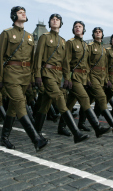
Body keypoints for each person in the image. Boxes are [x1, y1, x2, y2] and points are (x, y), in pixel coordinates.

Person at [0, 6, 49, 151]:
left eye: (24, 12)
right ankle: (36, 139)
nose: (23, 13)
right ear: (13, 16)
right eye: (20, 12)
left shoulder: (30, 36)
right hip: (11, 74)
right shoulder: (6, 33)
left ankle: (4, 138)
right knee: (20, 103)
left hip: (25, 76)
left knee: (13, 109)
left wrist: (32, 78)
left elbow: (31, 59)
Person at [34, 13, 89, 144]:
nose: (55, 21)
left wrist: (67, 78)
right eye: (52, 19)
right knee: (60, 100)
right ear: (49, 23)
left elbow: (65, 62)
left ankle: (35, 132)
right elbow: (38, 57)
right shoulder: (44, 37)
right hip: (47, 73)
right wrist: (37, 75)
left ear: (60, 23)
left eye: (57, 19)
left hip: (58, 76)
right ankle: (76, 133)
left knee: (45, 105)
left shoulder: (63, 41)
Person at [63, 21, 111, 138]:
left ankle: (61, 126)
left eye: (80, 27)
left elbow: (87, 64)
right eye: (75, 27)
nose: (77, 28)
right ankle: (97, 128)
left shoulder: (85, 45)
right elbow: (66, 61)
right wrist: (67, 78)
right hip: (74, 77)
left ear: (83, 30)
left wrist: (88, 78)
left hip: (83, 78)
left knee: (69, 104)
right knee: (85, 99)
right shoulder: (70, 42)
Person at [86, 27, 113, 135]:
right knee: (101, 98)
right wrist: (88, 78)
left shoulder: (103, 49)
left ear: (102, 35)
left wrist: (106, 79)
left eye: (100, 32)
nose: (98, 33)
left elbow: (106, 66)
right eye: (96, 32)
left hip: (102, 78)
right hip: (93, 76)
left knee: (89, 100)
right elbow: (86, 63)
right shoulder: (90, 47)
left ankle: (83, 121)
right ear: (93, 34)